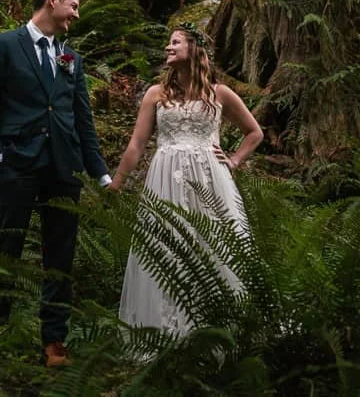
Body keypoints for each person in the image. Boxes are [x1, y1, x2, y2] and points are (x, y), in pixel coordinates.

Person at [0, 0, 111, 368]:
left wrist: (100, 174)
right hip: (18, 164)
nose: (76, 15)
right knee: (6, 248)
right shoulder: (3, 46)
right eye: (74, 6)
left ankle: (54, 340)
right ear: (52, 1)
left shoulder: (71, 58)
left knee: (60, 255)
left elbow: (82, 120)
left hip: (64, 168)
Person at [108, 24, 263, 338]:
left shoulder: (219, 93)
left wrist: (234, 160)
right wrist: (116, 184)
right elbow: (137, 144)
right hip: (165, 178)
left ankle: (222, 327)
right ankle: (167, 328)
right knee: (167, 247)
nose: (168, 47)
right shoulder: (155, 94)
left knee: (215, 243)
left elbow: (255, 132)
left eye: (175, 42)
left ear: (194, 48)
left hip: (210, 179)